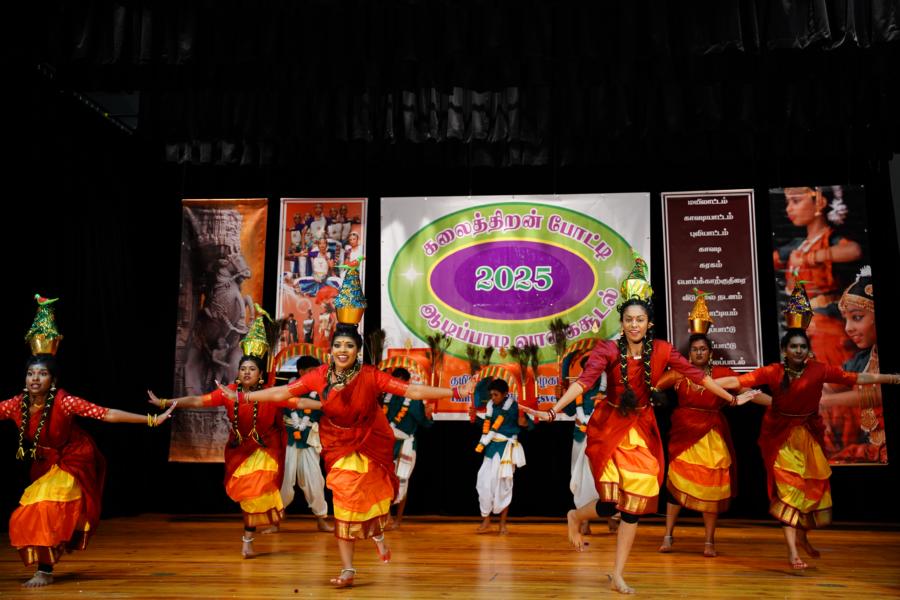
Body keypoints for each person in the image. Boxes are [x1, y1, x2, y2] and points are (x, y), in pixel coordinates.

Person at [215, 264, 476, 587]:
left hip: (369, 442)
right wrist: (246, 396)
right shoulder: (319, 375)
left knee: (367, 497)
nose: (342, 350)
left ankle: (377, 534)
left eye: (349, 346)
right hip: (336, 447)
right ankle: (348, 569)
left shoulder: (370, 375)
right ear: (331, 349)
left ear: (357, 350)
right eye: (338, 345)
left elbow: (412, 391)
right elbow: (284, 392)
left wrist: (455, 392)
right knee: (343, 500)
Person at [526, 257, 756, 594]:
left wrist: (732, 400)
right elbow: (584, 382)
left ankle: (616, 571)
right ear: (622, 322)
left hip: (642, 427)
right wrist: (552, 411)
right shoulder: (607, 349)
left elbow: (699, 377)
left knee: (634, 500)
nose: (634, 325)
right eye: (629, 320)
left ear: (649, 323)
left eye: (640, 320)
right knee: (614, 499)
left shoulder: (662, 350)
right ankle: (577, 516)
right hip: (611, 426)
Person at [2, 296, 176, 587]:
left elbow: (107, 414)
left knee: (46, 505)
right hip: (46, 463)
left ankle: (44, 570)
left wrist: (150, 420)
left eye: (42, 374)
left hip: (74, 459)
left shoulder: (65, 402)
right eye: (31, 373)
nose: (35, 379)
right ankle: (49, 559)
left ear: (53, 380)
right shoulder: (16, 404)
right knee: (28, 512)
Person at [716, 327, 900, 569]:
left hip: (808, 437)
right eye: (793, 346)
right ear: (785, 350)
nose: (799, 350)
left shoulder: (819, 370)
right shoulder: (774, 371)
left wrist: (890, 378)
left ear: (808, 350)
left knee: (811, 491)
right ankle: (793, 553)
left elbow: (855, 378)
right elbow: (738, 381)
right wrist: (703, 381)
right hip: (780, 439)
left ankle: (802, 537)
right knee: (789, 493)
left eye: (803, 346)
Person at [148, 307, 303, 558]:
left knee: (257, 488)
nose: (246, 372)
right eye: (243, 369)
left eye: (252, 369)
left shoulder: (271, 393)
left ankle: (248, 539)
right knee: (248, 496)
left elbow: (299, 401)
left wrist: (326, 404)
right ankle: (248, 538)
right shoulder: (228, 392)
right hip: (239, 450)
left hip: (266, 449)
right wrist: (167, 402)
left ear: (260, 374)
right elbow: (197, 401)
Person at [773, 186, 861, 367]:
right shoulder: (797, 246)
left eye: (796, 201)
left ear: (820, 202)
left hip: (826, 326)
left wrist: (811, 258)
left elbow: (854, 250)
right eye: (788, 202)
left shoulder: (830, 240)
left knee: (829, 376)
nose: (789, 208)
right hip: (801, 329)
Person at [820, 266, 886, 463]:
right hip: (873, 449)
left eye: (857, 317)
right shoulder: (863, 359)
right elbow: (829, 382)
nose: (848, 328)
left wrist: (826, 401)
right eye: (846, 320)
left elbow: (880, 392)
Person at [269, 355, 333, 533]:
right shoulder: (287, 388)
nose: (316, 374)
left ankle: (321, 519)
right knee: (284, 481)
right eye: (312, 371)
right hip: (288, 440)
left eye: (317, 371)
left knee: (315, 480)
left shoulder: (322, 391)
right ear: (301, 372)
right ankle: (275, 522)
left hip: (309, 439)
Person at [471, 377, 527, 535]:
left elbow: (527, 423)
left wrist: (525, 422)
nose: (493, 398)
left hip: (506, 449)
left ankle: (503, 524)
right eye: (491, 395)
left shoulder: (514, 407)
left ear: (505, 394)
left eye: (496, 395)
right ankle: (486, 521)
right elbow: (488, 427)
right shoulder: (490, 406)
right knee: (483, 483)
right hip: (491, 448)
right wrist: (475, 417)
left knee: (504, 486)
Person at [382, 367, 433, 529]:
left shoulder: (414, 400)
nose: (396, 385)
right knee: (384, 480)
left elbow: (424, 423)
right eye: (394, 382)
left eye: (399, 382)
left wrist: (428, 415)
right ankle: (387, 516)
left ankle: (398, 519)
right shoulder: (385, 398)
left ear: (407, 382)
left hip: (405, 444)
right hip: (387, 443)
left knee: (402, 480)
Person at [561, 353, 605, 535]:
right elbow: (569, 411)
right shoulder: (578, 388)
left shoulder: (606, 389)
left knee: (600, 478)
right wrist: (563, 395)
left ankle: (612, 519)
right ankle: (584, 520)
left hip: (600, 440)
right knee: (580, 478)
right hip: (580, 437)